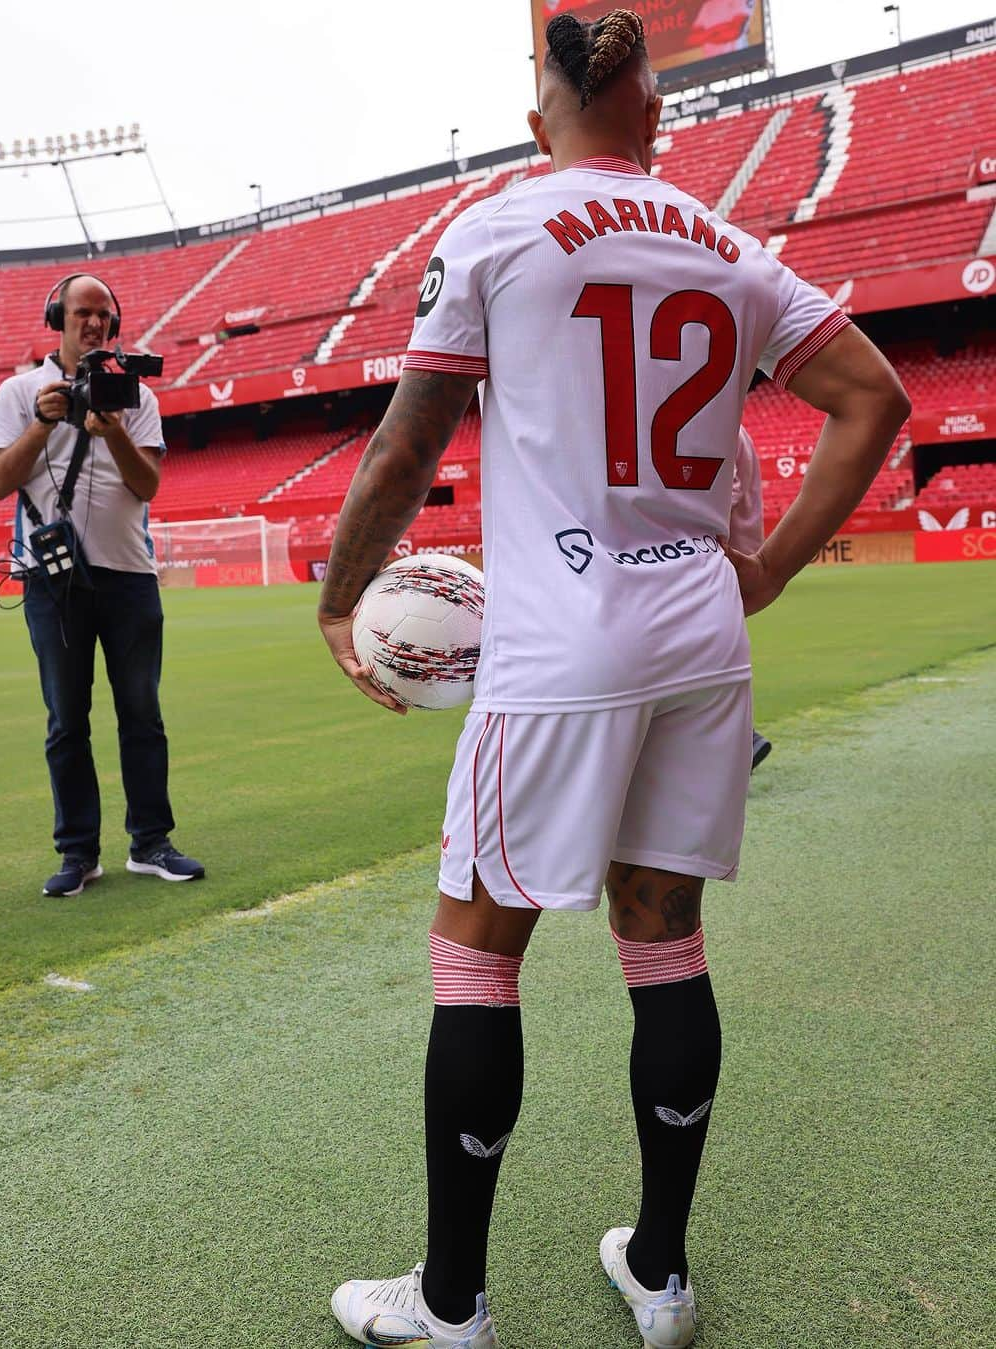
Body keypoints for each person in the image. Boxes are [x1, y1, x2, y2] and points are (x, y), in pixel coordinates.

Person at [318, 11, 909, 1346]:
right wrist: (769, 573)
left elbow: (409, 451)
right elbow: (876, 400)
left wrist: (344, 596)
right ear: (656, 114)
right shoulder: (733, 246)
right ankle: (661, 1271)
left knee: (476, 952)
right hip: (703, 639)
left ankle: (451, 1303)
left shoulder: (499, 227)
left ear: (543, 119)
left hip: (563, 643)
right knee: (666, 943)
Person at [0, 274, 204, 898]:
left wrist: (114, 433)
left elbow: (150, 486)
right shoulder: (20, 390)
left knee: (142, 712)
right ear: (57, 316)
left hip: (130, 573)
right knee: (66, 719)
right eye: (82, 312)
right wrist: (42, 425)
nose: (95, 325)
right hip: (51, 580)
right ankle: (78, 853)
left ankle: (151, 842)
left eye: (105, 316)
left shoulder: (135, 397)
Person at [731, 426, 774, 770]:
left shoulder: (722, 422)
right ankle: (744, 739)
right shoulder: (734, 423)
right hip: (724, 562)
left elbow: (719, 493)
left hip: (720, 563)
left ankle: (743, 741)